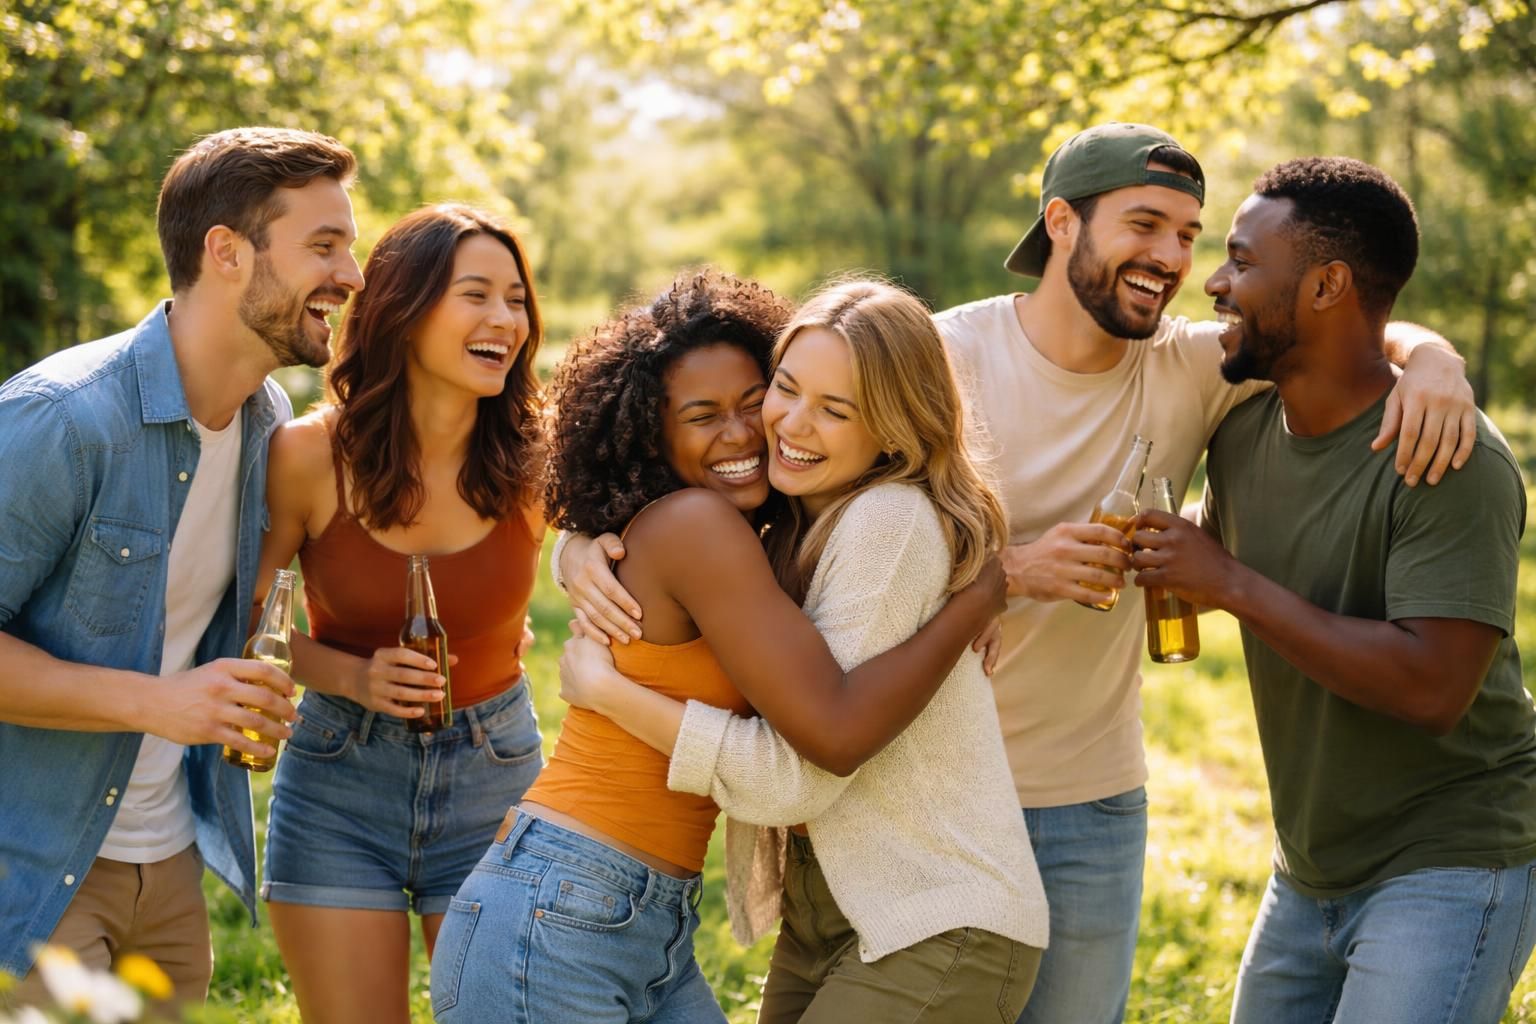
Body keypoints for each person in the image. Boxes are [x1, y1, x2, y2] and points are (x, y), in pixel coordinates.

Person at [559, 122, 1480, 1023]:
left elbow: (1336, 327)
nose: (1173, 257)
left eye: (1189, 234)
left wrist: (1436, 361)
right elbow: (774, 452)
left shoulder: (1195, 364)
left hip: (1088, 794)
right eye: (1145, 224)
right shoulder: (939, 355)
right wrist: (579, 547)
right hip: (914, 802)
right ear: (1062, 223)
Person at [431, 270, 1006, 1023]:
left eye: (754, 400)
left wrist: (570, 551)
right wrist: (975, 602)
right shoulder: (697, 525)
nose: (741, 433)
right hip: (559, 904)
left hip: (641, 918)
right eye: (702, 416)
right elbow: (835, 725)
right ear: (650, 432)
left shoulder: (744, 532)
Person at [1130, 156, 1536, 1023]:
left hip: (1451, 862)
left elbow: (1431, 689)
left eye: (1241, 261)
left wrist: (1227, 582)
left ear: (1327, 286)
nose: (1214, 281)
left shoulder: (1445, 455)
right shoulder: (1244, 431)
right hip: (1307, 870)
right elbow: (1241, 557)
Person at [0, 127, 363, 1011]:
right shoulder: (64, 420)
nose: (351, 275)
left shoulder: (264, 421)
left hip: (166, 867)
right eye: (324, 245)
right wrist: (162, 703)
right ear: (226, 252)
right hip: (31, 868)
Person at [250, 204, 546, 1023]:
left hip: (496, 775)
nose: (505, 320)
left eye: (516, 300)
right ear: (404, 310)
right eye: (476, 295)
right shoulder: (310, 456)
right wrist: (353, 676)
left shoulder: (538, 456)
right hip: (338, 781)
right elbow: (244, 612)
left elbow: (624, 539)